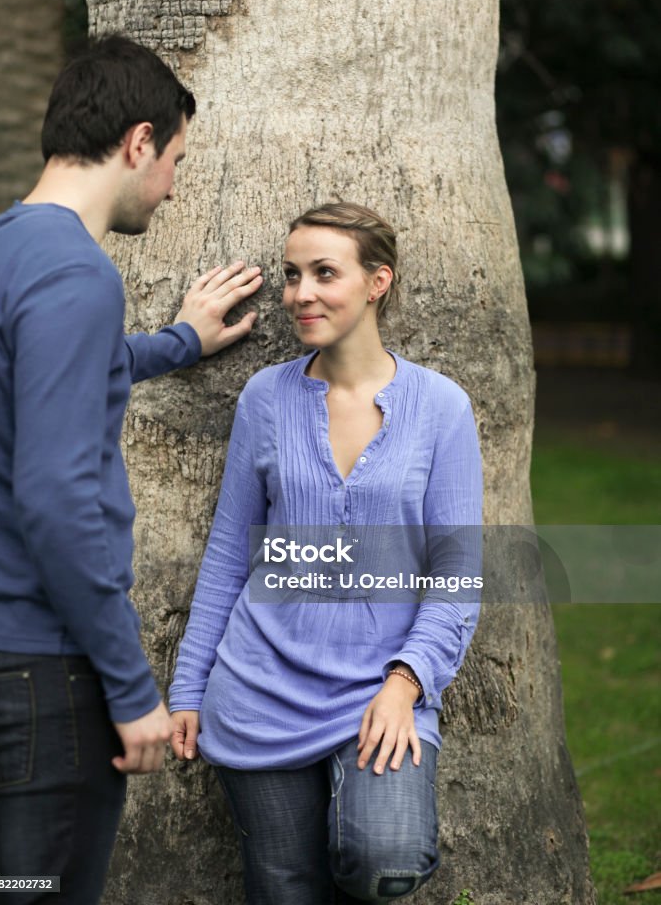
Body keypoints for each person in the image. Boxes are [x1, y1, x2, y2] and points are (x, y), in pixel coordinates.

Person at [0, 35, 263, 904]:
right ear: (139, 142)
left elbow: (34, 374)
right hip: (39, 685)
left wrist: (177, 342)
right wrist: (133, 690)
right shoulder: (77, 273)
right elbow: (59, 499)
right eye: (174, 160)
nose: (173, 187)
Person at [169, 202, 483, 905]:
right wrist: (189, 688)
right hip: (259, 687)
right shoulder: (265, 398)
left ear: (377, 282)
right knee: (283, 889)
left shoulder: (440, 407)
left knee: (384, 861)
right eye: (290, 275)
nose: (299, 293)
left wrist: (405, 684)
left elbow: (457, 575)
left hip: (379, 691)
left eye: (322, 273)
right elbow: (228, 556)